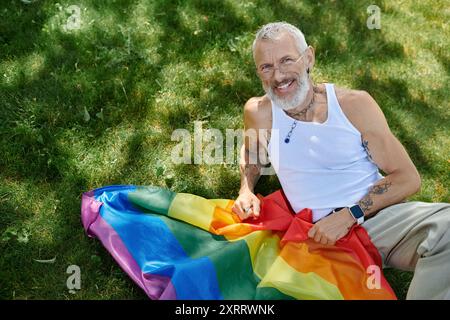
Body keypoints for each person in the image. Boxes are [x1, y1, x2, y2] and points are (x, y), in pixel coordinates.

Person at [232, 21, 450, 299]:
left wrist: (351, 215)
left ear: (308, 57)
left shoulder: (353, 105)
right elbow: (252, 153)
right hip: (312, 237)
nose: (278, 76)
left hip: (373, 220)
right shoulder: (259, 112)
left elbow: (407, 178)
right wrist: (246, 189)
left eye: (287, 60)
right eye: (267, 67)